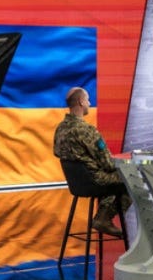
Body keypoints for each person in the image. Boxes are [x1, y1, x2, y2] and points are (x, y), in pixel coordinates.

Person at [53, 87, 130, 237]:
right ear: (81, 102)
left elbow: (57, 152)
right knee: (131, 179)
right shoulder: (87, 130)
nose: (89, 103)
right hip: (95, 181)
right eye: (88, 100)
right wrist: (127, 160)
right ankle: (104, 218)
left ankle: (103, 216)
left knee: (113, 180)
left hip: (77, 183)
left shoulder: (60, 129)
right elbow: (109, 164)